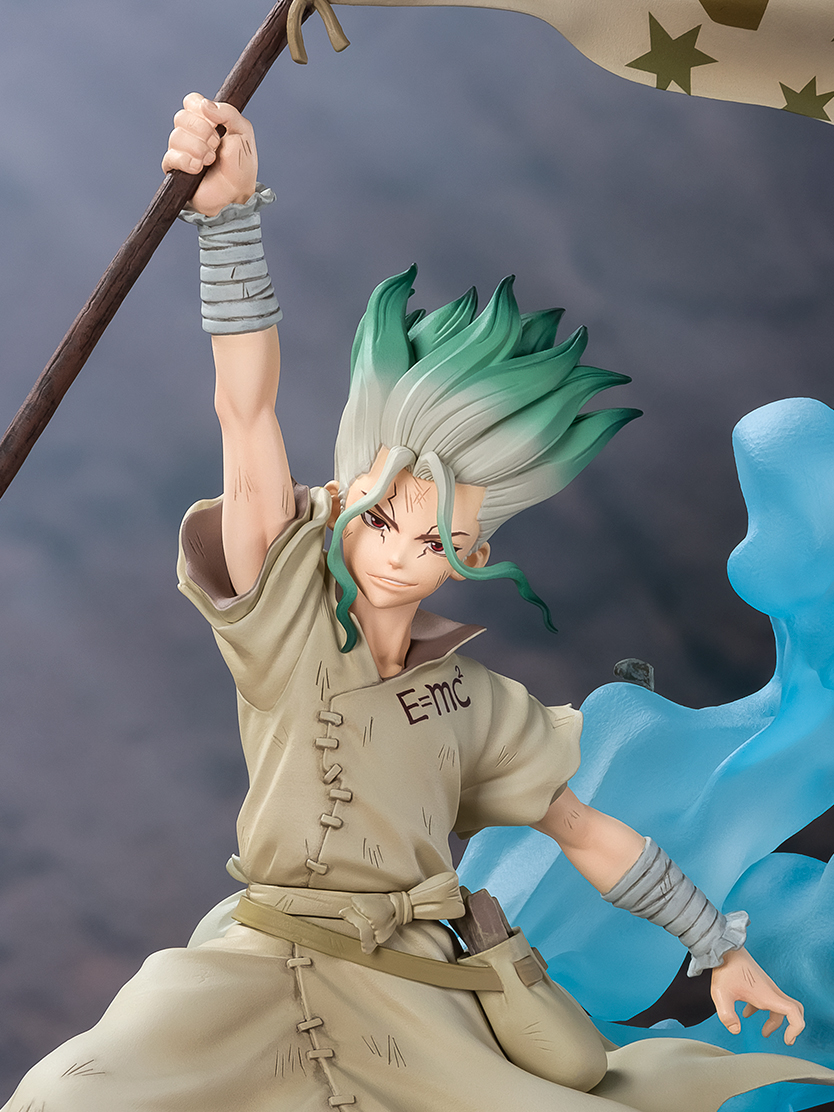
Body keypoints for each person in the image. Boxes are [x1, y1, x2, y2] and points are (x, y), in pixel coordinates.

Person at [4, 94, 832, 1112]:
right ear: (345, 496)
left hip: (415, 990)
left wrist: (719, 949)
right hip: (254, 968)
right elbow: (246, 412)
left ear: (473, 555)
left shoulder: (475, 704)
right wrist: (229, 221)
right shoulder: (284, 612)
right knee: (67, 1096)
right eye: (382, 519)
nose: (400, 555)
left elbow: (588, 834)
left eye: (437, 539)